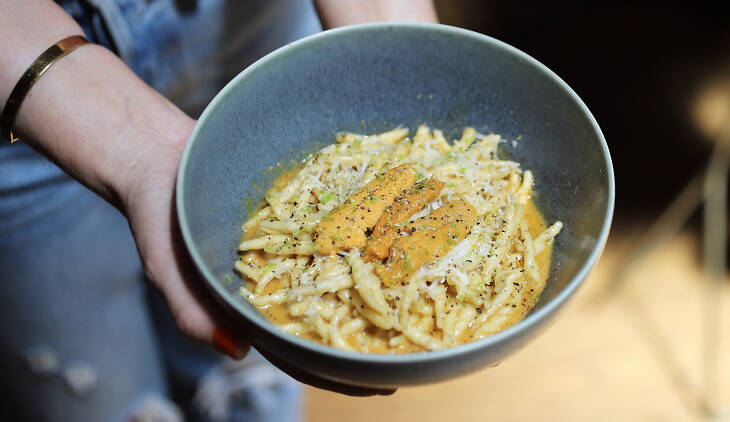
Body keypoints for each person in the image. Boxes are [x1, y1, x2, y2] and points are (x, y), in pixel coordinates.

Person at [0, 1, 438, 421]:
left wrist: (394, 39)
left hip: (255, 43)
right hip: (24, 88)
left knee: (250, 389)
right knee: (92, 392)